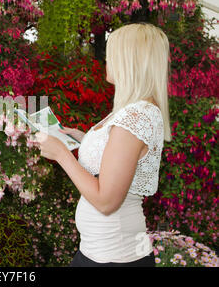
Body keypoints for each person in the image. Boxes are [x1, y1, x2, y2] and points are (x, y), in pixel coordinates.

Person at [35, 22, 172, 267]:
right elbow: (115, 154)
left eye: (111, 56)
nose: (105, 62)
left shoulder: (136, 116)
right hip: (100, 251)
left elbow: (106, 201)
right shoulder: (136, 110)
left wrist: (62, 154)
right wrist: (84, 139)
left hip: (114, 256)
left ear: (130, 62)